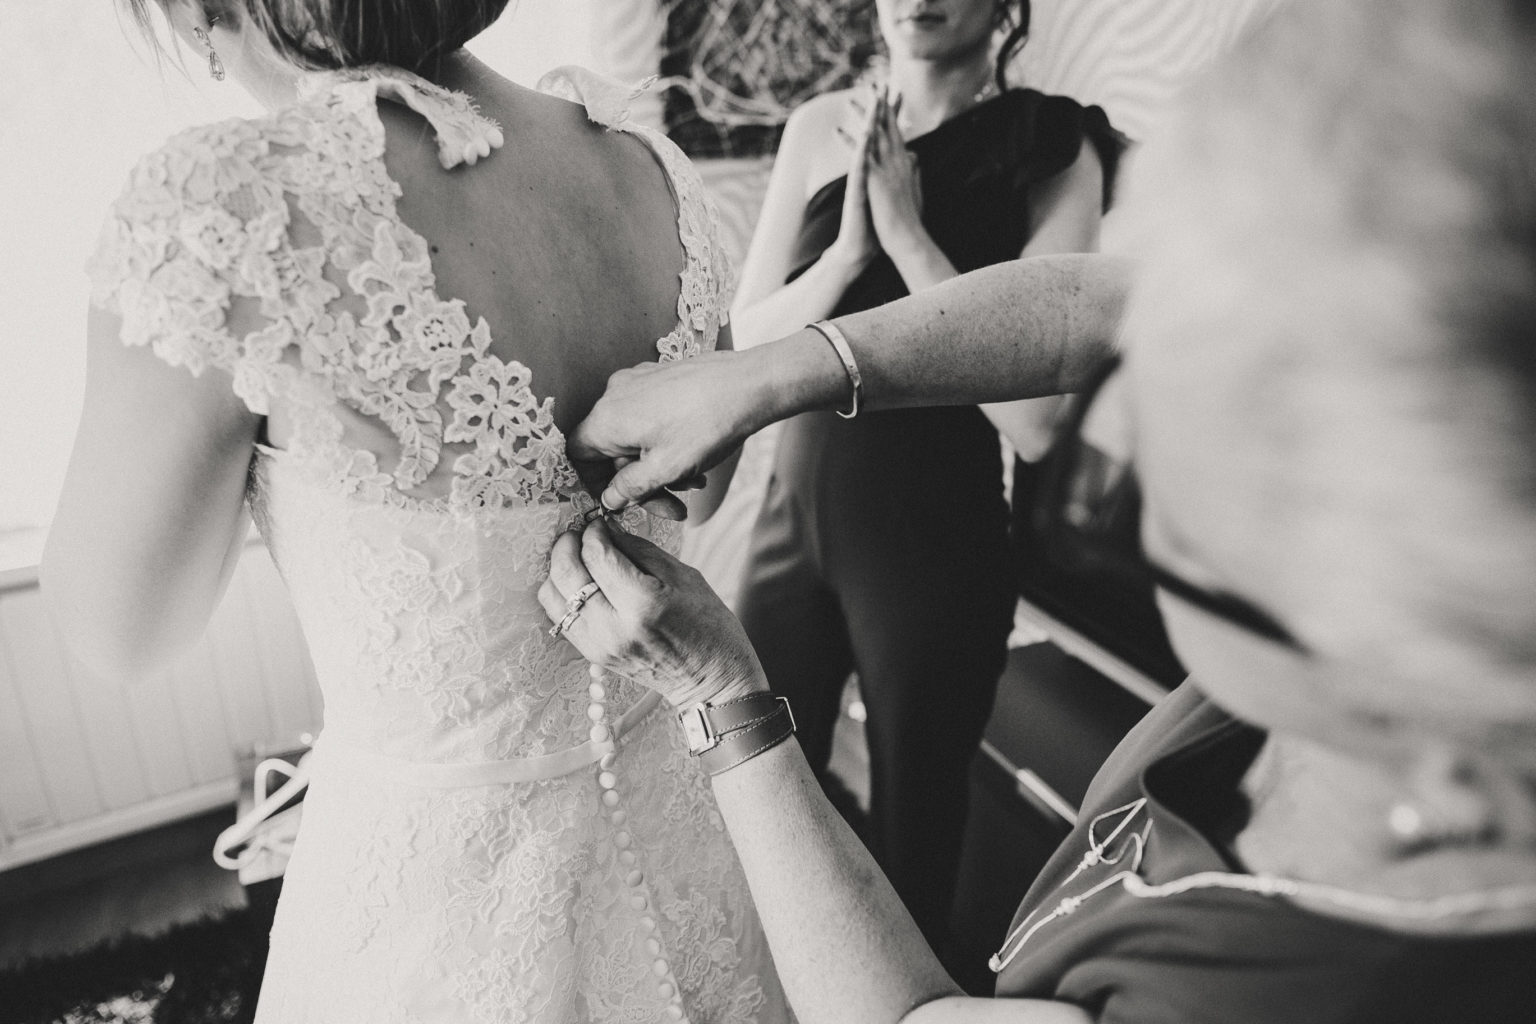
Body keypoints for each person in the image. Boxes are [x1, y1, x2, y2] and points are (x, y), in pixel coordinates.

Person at [552, 0, 1536, 1020]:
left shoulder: (1254, 990)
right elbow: (1092, 308)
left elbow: (915, 1016)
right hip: (801, 508)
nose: (1121, 437)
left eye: (1128, 496)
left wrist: (720, 692)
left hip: (930, 536)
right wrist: (789, 355)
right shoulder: (1286, 692)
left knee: (917, 819)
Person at [41, 2, 789, 1021]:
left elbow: (122, 635)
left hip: (436, 908)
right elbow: (713, 486)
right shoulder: (652, 169)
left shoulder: (222, 215)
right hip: (689, 848)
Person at [729, 0, 1122, 954]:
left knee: (917, 839)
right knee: (752, 793)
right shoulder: (820, 127)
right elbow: (745, 339)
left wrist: (908, 239)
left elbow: (1038, 421)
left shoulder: (1053, 144)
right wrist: (848, 256)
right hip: (791, 521)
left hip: (935, 547)